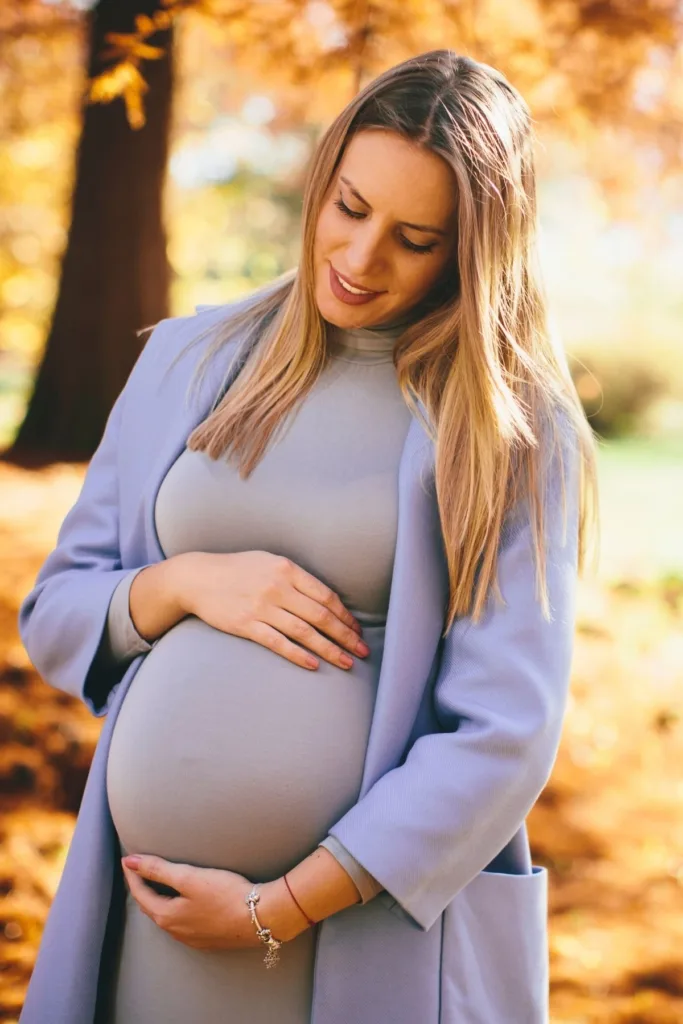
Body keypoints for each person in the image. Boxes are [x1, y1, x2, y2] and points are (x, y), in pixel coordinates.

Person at [17, 48, 597, 1024]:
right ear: (321, 179)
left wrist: (274, 909)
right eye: (348, 207)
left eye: (415, 238)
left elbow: (504, 731)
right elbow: (56, 607)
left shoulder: (507, 428)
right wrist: (187, 583)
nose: (361, 259)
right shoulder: (181, 360)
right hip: (143, 921)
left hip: (354, 933)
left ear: (472, 249)